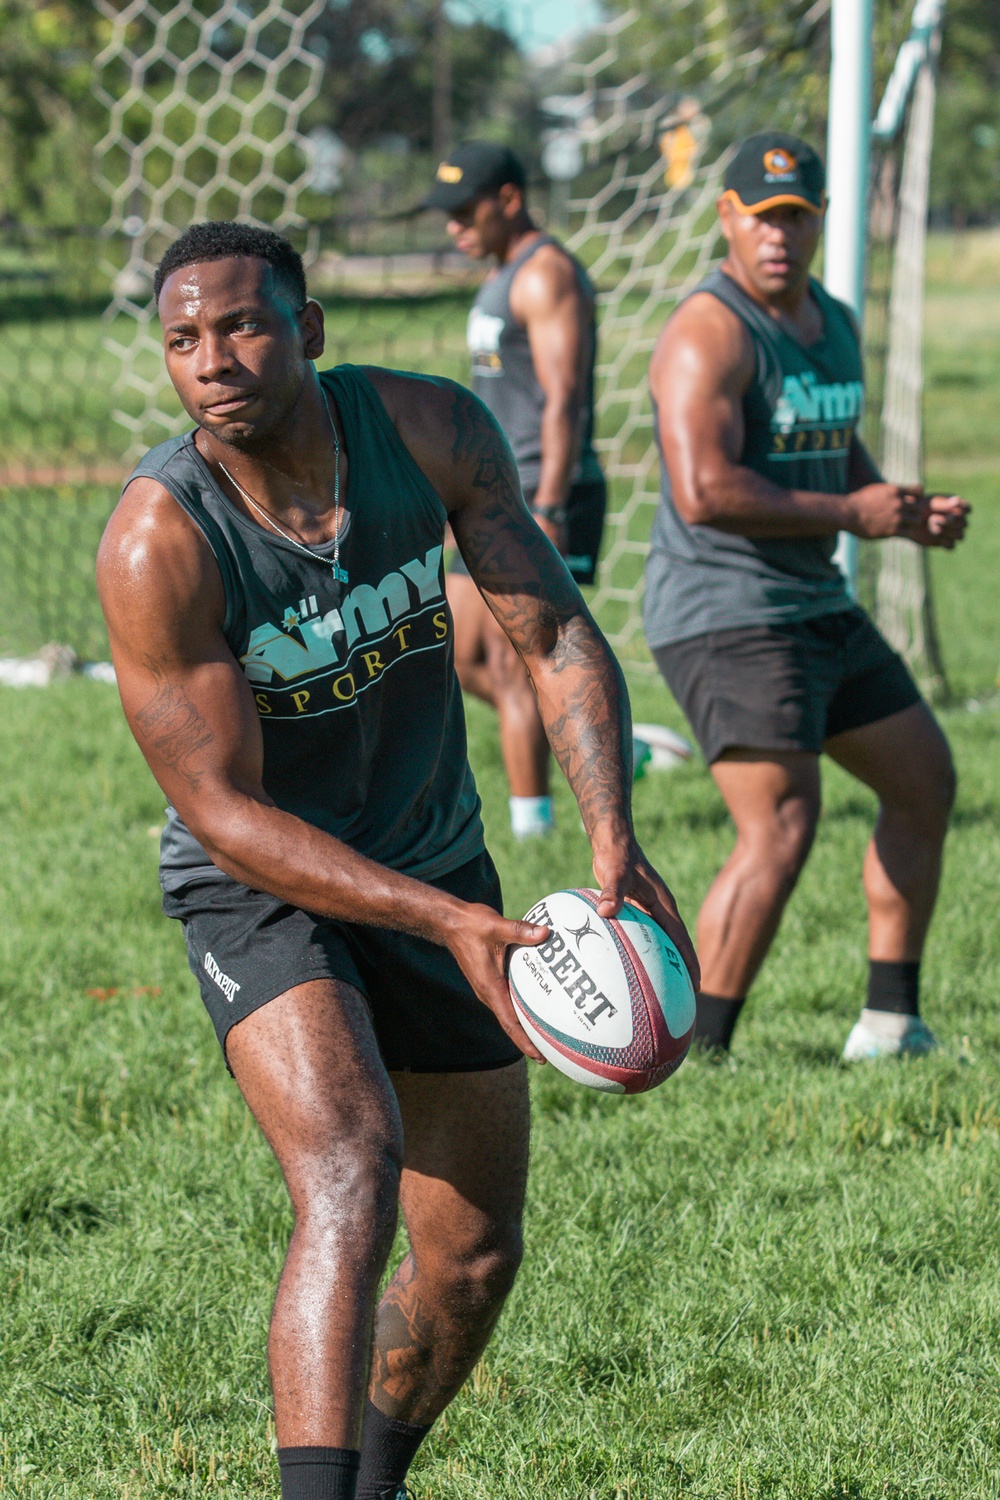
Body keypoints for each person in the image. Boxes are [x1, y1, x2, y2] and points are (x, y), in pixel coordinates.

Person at [96, 221, 697, 1500]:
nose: (212, 359)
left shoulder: (427, 431)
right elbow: (222, 811)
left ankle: (376, 1481)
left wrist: (610, 837)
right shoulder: (159, 540)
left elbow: (553, 634)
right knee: (350, 1169)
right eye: (183, 340)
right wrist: (443, 920)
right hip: (260, 885)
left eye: (244, 325)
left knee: (474, 1255)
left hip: (438, 859)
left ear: (307, 331)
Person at [643, 132, 968, 1060]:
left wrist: (896, 509)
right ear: (728, 219)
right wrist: (852, 512)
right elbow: (703, 491)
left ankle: (891, 1022)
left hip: (812, 599)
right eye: (762, 218)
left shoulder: (832, 320)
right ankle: (697, 1052)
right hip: (723, 608)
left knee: (924, 780)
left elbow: (839, 448)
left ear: (819, 223)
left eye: (797, 218)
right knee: (782, 822)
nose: (779, 236)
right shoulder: (708, 331)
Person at [422, 141, 608, 838]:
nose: (453, 228)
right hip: (490, 495)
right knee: (462, 653)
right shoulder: (502, 274)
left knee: (513, 661)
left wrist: (551, 507)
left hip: (540, 495)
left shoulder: (545, 273)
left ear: (508, 199)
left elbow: (564, 398)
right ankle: (615, 742)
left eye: (464, 212)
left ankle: (534, 832)